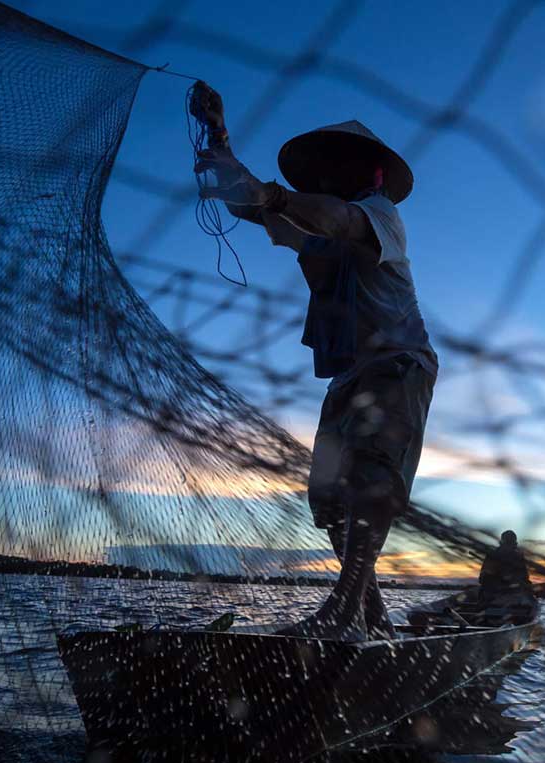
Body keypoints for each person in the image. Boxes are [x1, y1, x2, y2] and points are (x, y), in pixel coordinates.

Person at [189, 82, 438, 642]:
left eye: (341, 165)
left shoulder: (378, 217)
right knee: (329, 497)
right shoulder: (314, 227)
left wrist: (271, 196)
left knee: (370, 480)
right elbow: (248, 204)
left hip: (398, 365)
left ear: (368, 172)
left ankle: (343, 611)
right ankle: (372, 618)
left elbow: (333, 220)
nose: (330, 174)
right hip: (349, 375)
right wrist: (218, 135)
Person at [479, 530, 531, 602]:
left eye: (510, 542)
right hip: (493, 594)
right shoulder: (493, 555)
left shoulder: (518, 557)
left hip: (512, 594)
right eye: (508, 542)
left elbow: (524, 577)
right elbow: (483, 578)